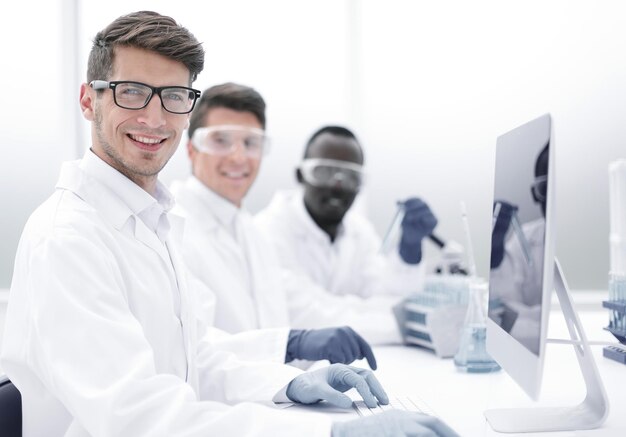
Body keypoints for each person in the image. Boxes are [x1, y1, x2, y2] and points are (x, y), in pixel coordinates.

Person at [0, 11, 458, 437]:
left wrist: (291, 383)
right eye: (132, 91)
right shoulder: (68, 239)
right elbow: (137, 414)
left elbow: (193, 359)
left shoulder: (149, 221)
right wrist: (328, 431)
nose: (155, 118)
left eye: (175, 97)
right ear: (88, 100)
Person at [172, 84, 409, 350]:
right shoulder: (173, 230)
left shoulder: (249, 232)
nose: (238, 157)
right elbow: (195, 351)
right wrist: (292, 349)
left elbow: (279, 324)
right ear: (191, 149)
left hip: (267, 387)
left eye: (250, 143)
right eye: (221, 140)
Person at [255, 126, 438, 299]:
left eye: (351, 177)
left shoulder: (360, 232)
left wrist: (409, 249)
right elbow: (303, 311)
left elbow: (388, 297)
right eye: (325, 172)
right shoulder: (266, 232)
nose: (337, 186)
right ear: (300, 175)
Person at [489, 143, 549, 354]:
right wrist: (495, 256)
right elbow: (506, 311)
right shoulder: (525, 238)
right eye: (545, 189)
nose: (552, 199)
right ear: (535, 193)